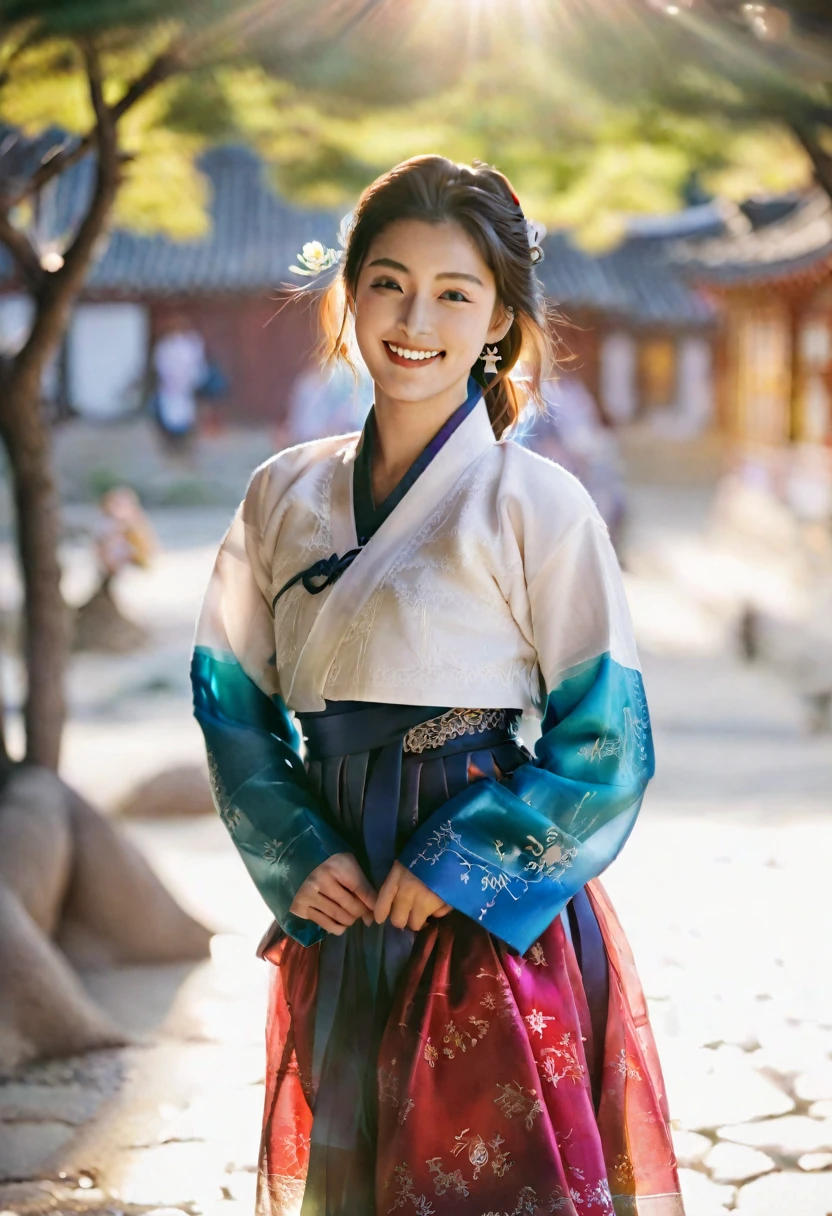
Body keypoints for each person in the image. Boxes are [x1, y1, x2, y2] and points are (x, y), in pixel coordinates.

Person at [191, 156, 683, 1216]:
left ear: (500, 317)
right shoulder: (280, 493)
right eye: (387, 282)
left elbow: (607, 741)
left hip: (483, 911)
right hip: (338, 880)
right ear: (349, 295)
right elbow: (230, 697)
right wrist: (291, 843)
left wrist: (469, 861)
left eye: (454, 292)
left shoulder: (538, 505)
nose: (415, 317)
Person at [150, 314, 208, 453]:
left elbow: (196, 364)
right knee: (169, 415)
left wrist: (191, 380)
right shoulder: (165, 345)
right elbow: (161, 364)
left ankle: (185, 447)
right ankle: (172, 446)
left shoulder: (191, 344)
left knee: (187, 416)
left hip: (185, 387)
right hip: (170, 386)